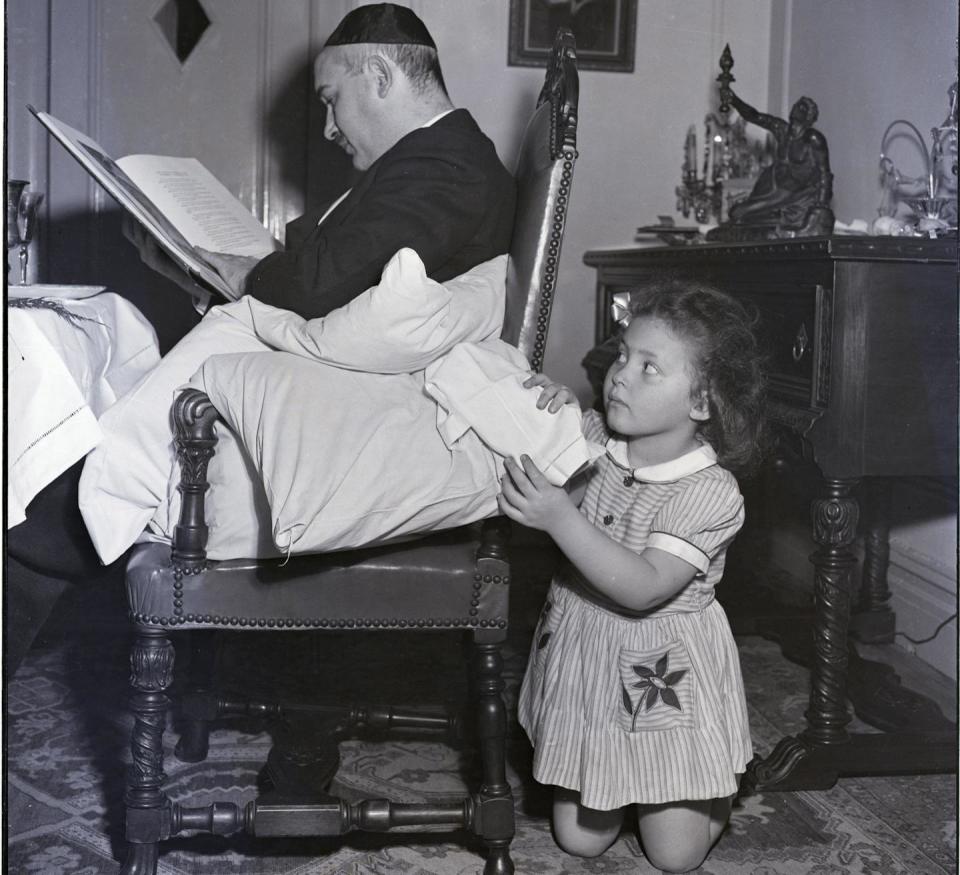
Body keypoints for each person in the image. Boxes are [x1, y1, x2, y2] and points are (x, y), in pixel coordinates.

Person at [499, 280, 766, 872]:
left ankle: (711, 784)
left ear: (703, 402)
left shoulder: (709, 494)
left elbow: (643, 587)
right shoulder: (594, 438)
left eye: (650, 368)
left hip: (657, 672)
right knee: (579, 840)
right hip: (586, 653)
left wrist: (560, 519)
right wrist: (542, 406)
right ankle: (622, 782)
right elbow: (542, 438)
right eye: (623, 353)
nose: (620, 374)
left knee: (674, 858)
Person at [135, 2, 516, 317]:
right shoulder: (435, 158)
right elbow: (339, 288)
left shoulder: (448, 168)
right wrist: (200, 278)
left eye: (331, 100)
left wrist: (249, 276)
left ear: (380, 77)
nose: (328, 130)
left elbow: (320, 290)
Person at [723, 87, 833, 235]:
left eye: (802, 107)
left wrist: (822, 204)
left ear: (808, 117)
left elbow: (824, 173)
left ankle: (777, 218)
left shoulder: (813, 139)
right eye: (797, 105)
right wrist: (734, 100)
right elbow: (755, 116)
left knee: (743, 216)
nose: (796, 108)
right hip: (773, 187)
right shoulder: (781, 129)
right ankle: (771, 217)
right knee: (736, 213)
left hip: (799, 194)